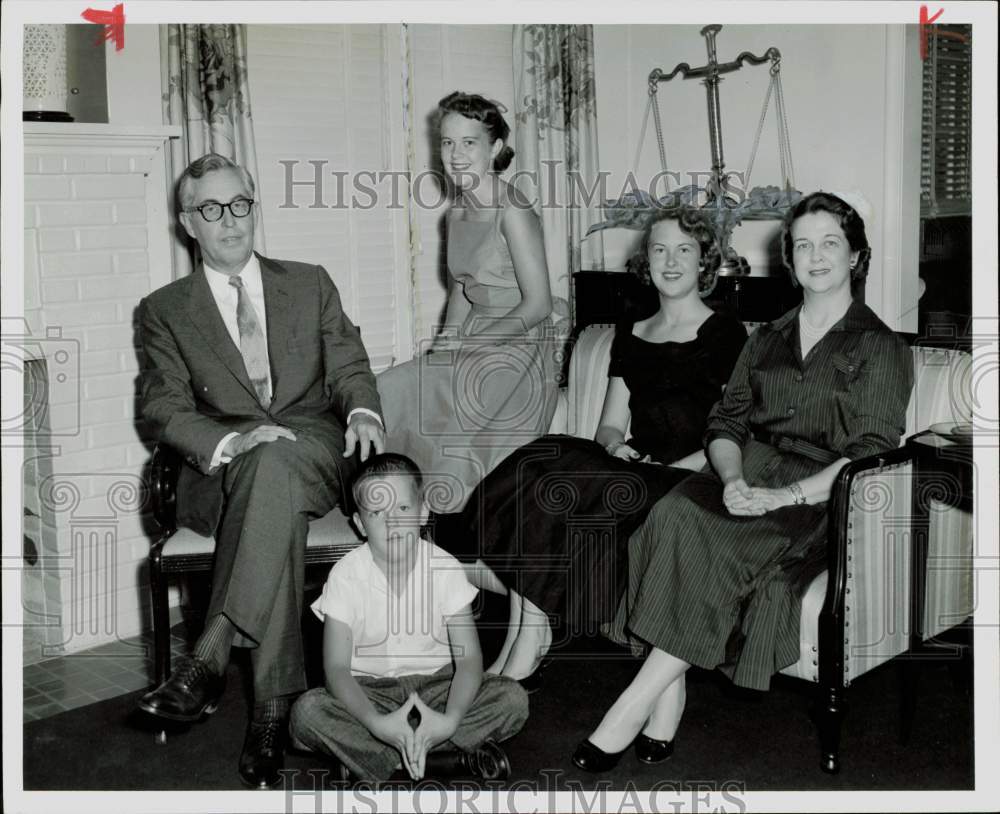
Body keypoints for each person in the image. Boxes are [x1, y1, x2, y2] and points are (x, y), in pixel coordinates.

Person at [573, 191, 914, 772]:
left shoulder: (879, 345)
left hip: (822, 491)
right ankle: (664, 701)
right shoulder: (768, 337)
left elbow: (870, 453)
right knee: (673, 514)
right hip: (749, 467)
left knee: (722, 541)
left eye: (830, 242)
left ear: (856, 256)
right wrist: (729, 477)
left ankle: (630, 707)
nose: (816, 255)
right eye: (802, 244)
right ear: (788, 259)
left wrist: (784, 496)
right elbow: (726, 422)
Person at [136, 153, 385, 789]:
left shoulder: (309, 281)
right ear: (188, 223)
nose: (230, 220)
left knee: (277, 461)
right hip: (224, 470)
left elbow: (351, 364)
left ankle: (213, 647)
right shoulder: (164, 308)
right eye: (211, 209)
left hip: (313, 452)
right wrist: (229, 444)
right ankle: (272, 712)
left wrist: (361, 412)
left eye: (239, 204)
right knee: (266, 480)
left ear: (255, 205)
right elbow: (162, 405)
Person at [435, 208, 748, 685]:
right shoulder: (632, 331)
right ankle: (524, 638)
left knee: (561, 469)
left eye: (684, 250)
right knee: (546, 455)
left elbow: (731, 431)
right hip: (633, 468)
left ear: (704, 262)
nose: (670, 261)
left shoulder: (726, 334)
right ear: (647, 259)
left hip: (688, 477)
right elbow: (609, 424)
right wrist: (615, 445)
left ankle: (531, 641)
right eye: (659, 249)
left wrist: (670, 464)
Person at [289, 453, 529, 782]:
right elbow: (336, 670)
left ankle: (380, 758)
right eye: (376, 512)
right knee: (307, 712)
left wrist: (451, 718)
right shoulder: (345, 575)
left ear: (422, 511)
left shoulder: (444, 568)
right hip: (371, 693)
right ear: (359, 524)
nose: (392, 522)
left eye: (402, 508)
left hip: (438, 688)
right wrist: (375, 723)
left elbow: (470, 658)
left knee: (512, 698)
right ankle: (440, 758)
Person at [376, 91, 558, 514]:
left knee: (454, 442)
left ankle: (447, 523)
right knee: (391, 387)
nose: (456, 155)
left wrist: (471, 344)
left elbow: (539, 305)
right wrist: (446, 343)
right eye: (447, 142)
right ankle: (400, 515)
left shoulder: (513, 210)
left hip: (519, 349)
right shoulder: (455, 214)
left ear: (494, 148)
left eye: (469, 143)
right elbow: (462, 288)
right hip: (473, 337)